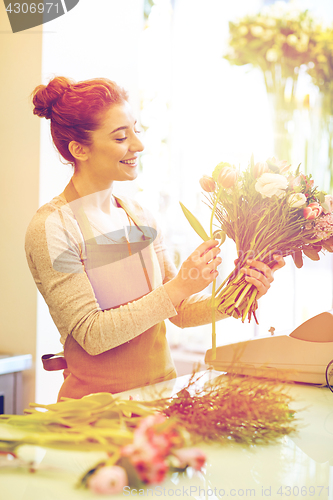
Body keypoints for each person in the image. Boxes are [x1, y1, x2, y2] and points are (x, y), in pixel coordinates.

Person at [25, 76, 285, 401]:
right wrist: (178, 288)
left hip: (161, 401)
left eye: (136, 129)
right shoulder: (54, 226)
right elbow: (92, 334)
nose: (138, 145)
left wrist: (236, 297)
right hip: (96, 414)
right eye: (121, 137)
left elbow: (179, 311)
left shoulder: (139, 216)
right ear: (79, 149)